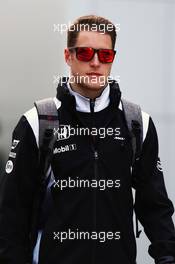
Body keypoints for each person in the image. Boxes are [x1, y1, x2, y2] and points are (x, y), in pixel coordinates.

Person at [0, 15, 175, 264]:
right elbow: (11, 213)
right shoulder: (37, 122)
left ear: (113, 58)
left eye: (105, 55)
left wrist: (167, 257)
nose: (95, 63)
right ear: (68, 56)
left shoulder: (137, 123)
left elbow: (155, 206)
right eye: (85, 53)